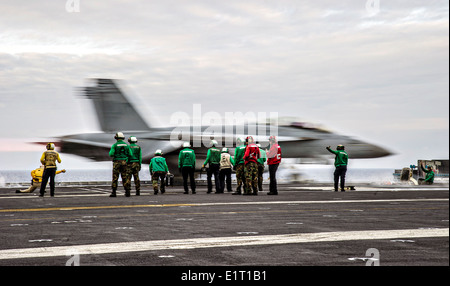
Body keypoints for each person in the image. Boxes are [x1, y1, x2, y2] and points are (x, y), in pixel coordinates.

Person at [109, 132, 133, 197]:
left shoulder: (114, 145)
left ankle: (114, 192)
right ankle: (127, 191)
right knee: (125, 177)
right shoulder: (127, 145)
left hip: (116, 162)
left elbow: (111, 154)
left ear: (116, 138)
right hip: (124, 162)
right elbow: (130, 154)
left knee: (115, 177)